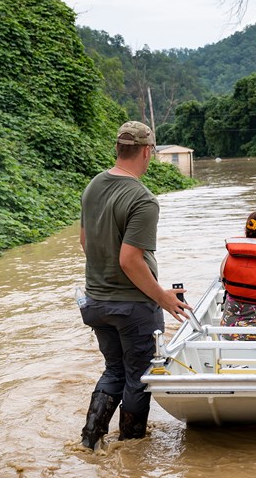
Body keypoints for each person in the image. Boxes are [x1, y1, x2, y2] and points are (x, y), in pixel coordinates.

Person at [78, 120, 192, 450]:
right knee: (139, 379)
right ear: (146, 152)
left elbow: (86, 242)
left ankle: (90, 442)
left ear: (118, 149)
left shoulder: (93, 186)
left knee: (114, 370)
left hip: (96, 302)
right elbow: (130, 260)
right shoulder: (143, 199)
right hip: (133, 307)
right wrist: (164, 298)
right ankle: (131, 449)